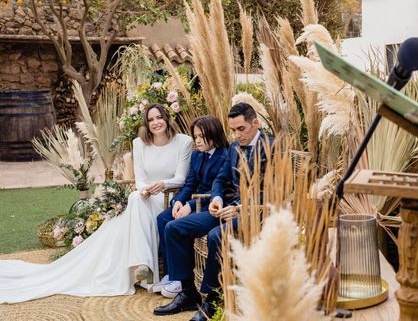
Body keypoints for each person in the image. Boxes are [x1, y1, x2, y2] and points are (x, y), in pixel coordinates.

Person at [0, 103, 192, 303]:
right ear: (146, 123)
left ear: (167, 118)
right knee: (135, 197)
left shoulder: (183, 142)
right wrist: (145, 189)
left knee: (133, 203)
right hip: (145, 197)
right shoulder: (139, 143)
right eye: (151, 119)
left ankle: (143, 266)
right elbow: (141, 179)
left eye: (159, 117)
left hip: (169, 198)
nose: (155, 123)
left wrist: (162, 185)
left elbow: (181, 178)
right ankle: (143, 264)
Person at [154, 102, 273, 321]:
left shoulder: (273, 147)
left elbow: (278, 191)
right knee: (173, 227)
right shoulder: (235, 149)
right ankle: (188, 292)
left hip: (257, 211)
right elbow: (221, 179)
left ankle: (212, 298)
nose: (236, 135)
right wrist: (217, 198)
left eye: (241, 129)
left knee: (216, 235)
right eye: (233, 130)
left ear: (255, 123)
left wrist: (240, 209)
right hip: (227, 207)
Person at [153, 115, 231, 296]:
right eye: (195, 136)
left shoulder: (225, 155)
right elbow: (190, 183)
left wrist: (190, 204)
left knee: (178, 223)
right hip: (193, 200)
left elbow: (219, 189)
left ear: (214, 134)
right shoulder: (197, 155)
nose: (197, 140)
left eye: (201, 136)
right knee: (163, 217)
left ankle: (182, 279)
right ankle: (172, 273)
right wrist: (179, 201)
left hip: (210, 203)